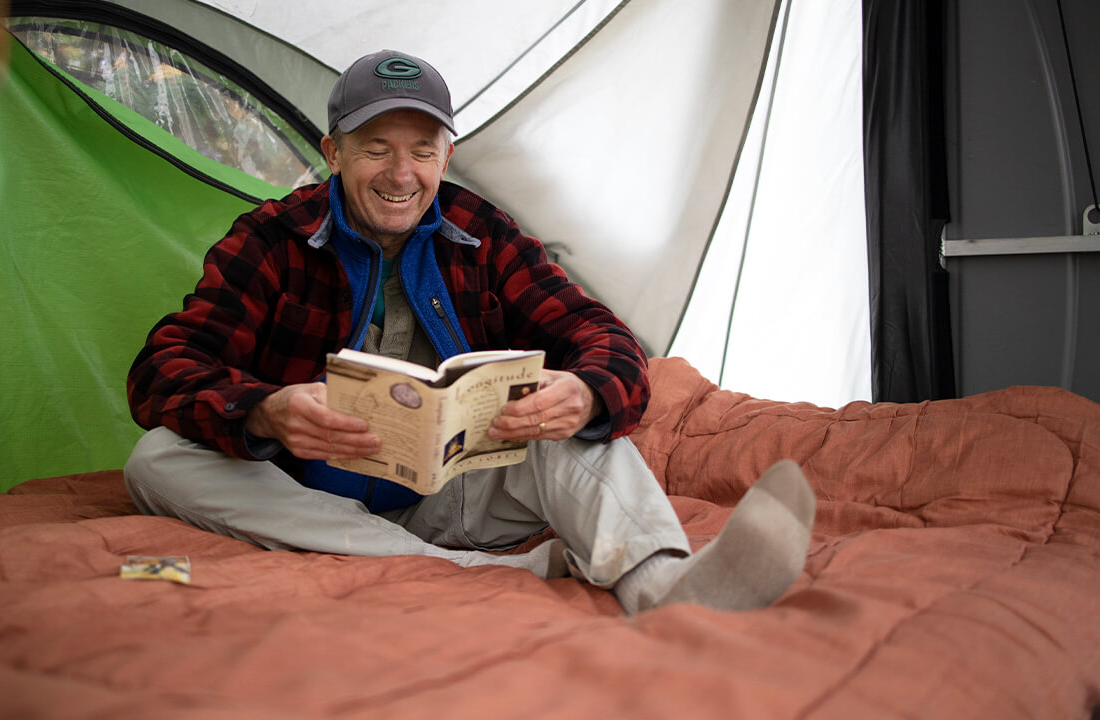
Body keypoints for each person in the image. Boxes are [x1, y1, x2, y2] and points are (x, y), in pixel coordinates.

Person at [124, 49, 815, 614]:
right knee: (154, 460)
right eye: (376, 150)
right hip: (300, 495)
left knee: (574, 424)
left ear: (445, 159)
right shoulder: (273, 238)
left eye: (422, 151)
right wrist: (267, 412)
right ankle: (464, 572)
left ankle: (666, 585)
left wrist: (585, 391)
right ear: (334, 153)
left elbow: (605, 336)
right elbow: (162, 369)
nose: (402, 174)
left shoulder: (484, 235)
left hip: (455, 496)